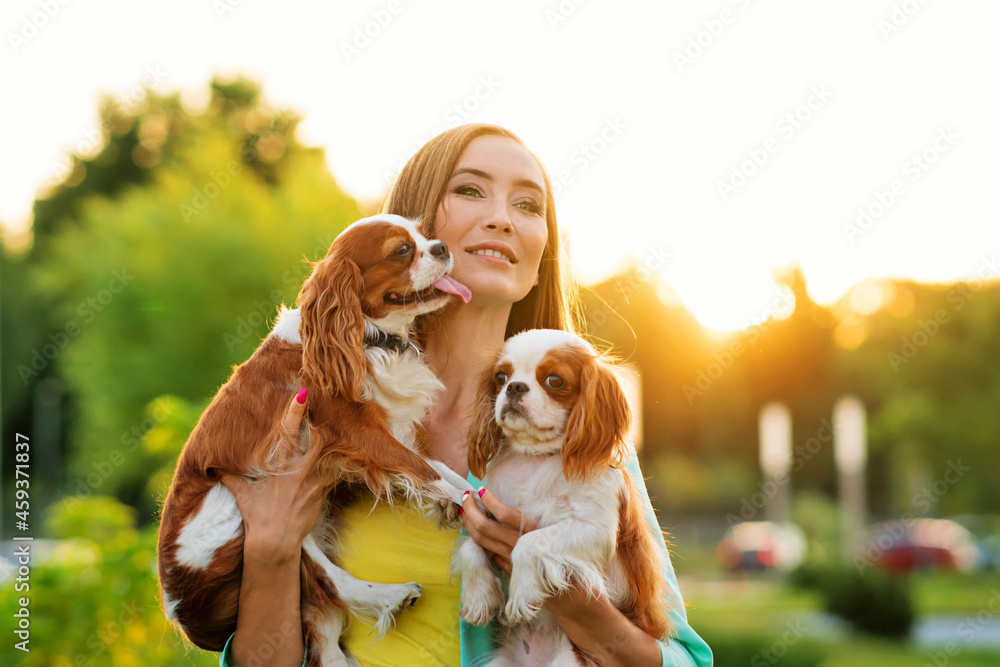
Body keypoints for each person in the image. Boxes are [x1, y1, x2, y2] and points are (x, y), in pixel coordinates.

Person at [218, 124, 713, 666]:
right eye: (471, 190)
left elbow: (683, 659)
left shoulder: (580, 430)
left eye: (528, 204)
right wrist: (268, 553)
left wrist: (569, 596)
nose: (502, 216)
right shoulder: (325, 412)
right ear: (414, 224)